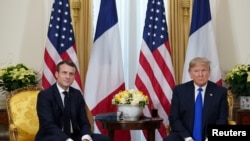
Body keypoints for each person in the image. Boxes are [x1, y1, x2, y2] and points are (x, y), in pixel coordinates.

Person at [35, 60, 110, 141]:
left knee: (103, 139)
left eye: (71, 74)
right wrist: (67, 139)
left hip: (74, 135)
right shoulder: (45, 95)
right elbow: (48, 124)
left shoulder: (77, 94)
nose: (68, 77)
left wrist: (85, 137)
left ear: (74, 77)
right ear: (57, 74)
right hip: (52, 136)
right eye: (64, 73)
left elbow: (84, 121)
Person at [163, 57, 228, 141]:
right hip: (184, 135)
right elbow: (174, 118)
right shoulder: (179, 91)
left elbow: (222, 119)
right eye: (196, 71)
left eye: (204, 70)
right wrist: (188, 138)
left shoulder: (220, 92)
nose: (200, 74)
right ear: (190, 73)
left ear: (209, 72)